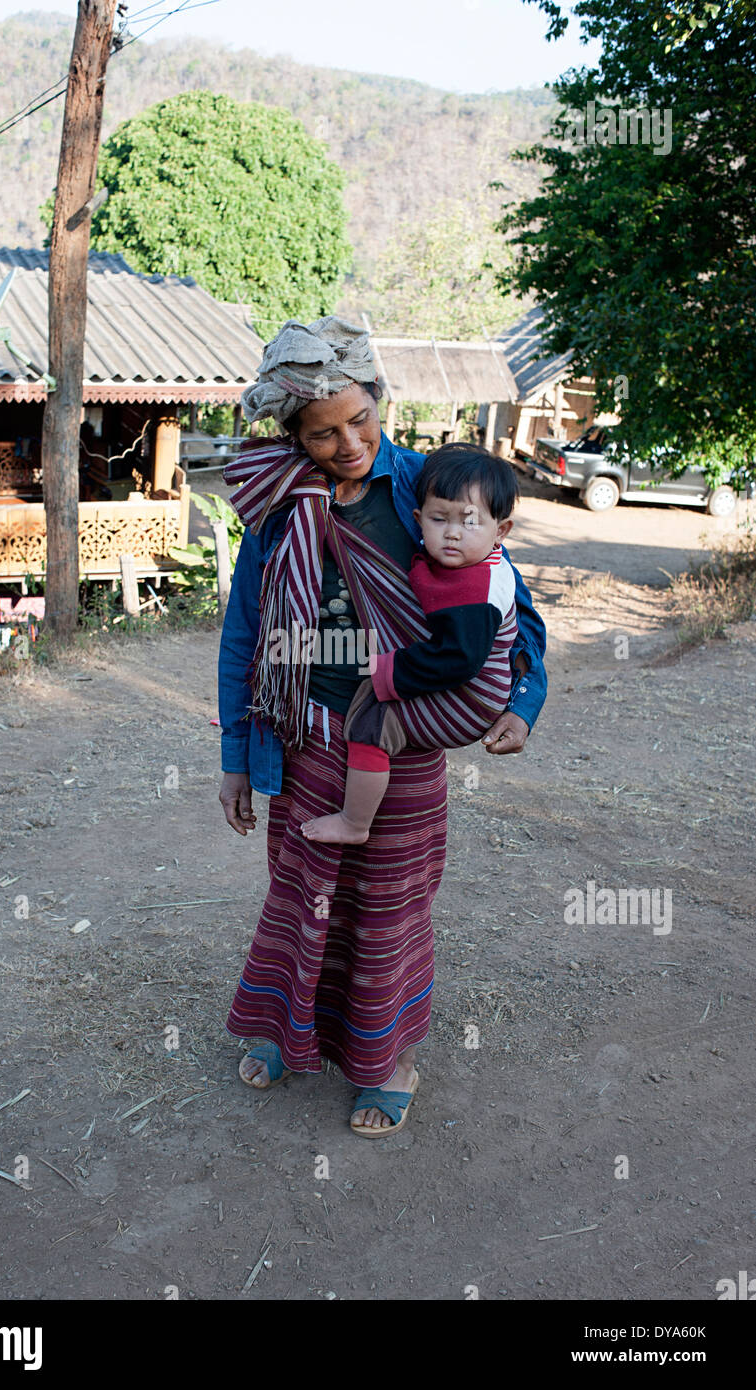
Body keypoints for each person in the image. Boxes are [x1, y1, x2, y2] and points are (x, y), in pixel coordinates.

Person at [218, 316, 547, 1137]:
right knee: (303, 898)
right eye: (322, 432)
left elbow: (514, 604)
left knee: (386, 904)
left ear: (380, 400)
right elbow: (244, 633)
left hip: (401, 735)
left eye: (360, 418)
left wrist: (522, 704)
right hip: (301, 736)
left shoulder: (426, 490)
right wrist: (232, 756)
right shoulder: (278, 505)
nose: (347, 442)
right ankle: (289, 1035)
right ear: (292, 433)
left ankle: (386, 1059)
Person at [300, 443, 518, 845]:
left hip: (471, 698)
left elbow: (460, 658)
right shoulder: (469, 562)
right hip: (463, 684)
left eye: (469, 522)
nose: (452, 533)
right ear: (418, 519)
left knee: (373, 723)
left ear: (500, 531)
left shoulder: (478, 589)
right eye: (439, 519)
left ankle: (355, 823)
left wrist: (388, 671)